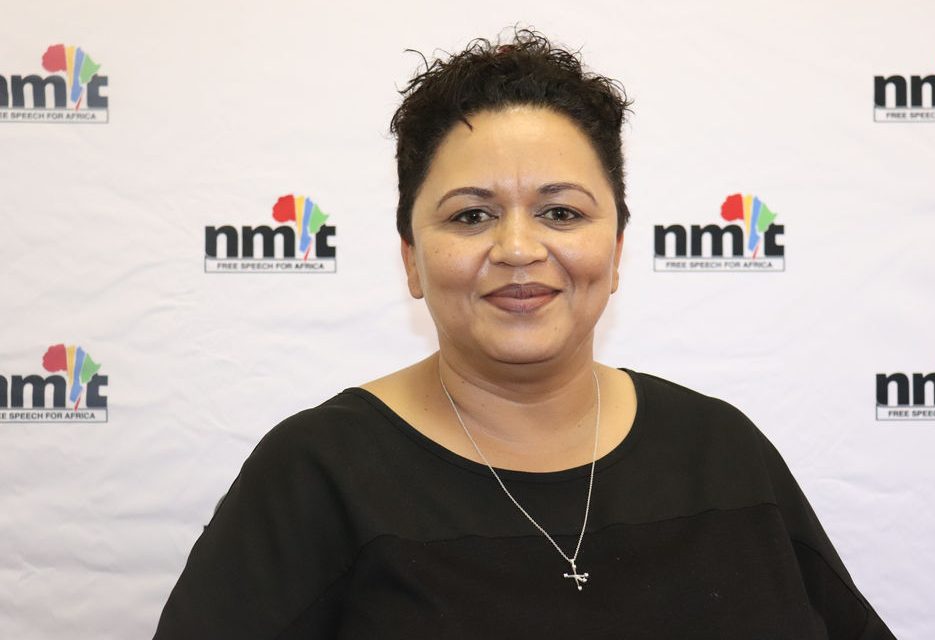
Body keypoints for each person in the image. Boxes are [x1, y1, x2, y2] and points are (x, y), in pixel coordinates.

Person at [154, 30, 896, 639]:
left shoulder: (723, 455)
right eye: (471, 215)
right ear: (411, 259)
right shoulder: (317, 475)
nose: (517, 249)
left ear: (616, 249)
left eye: (561, 213)